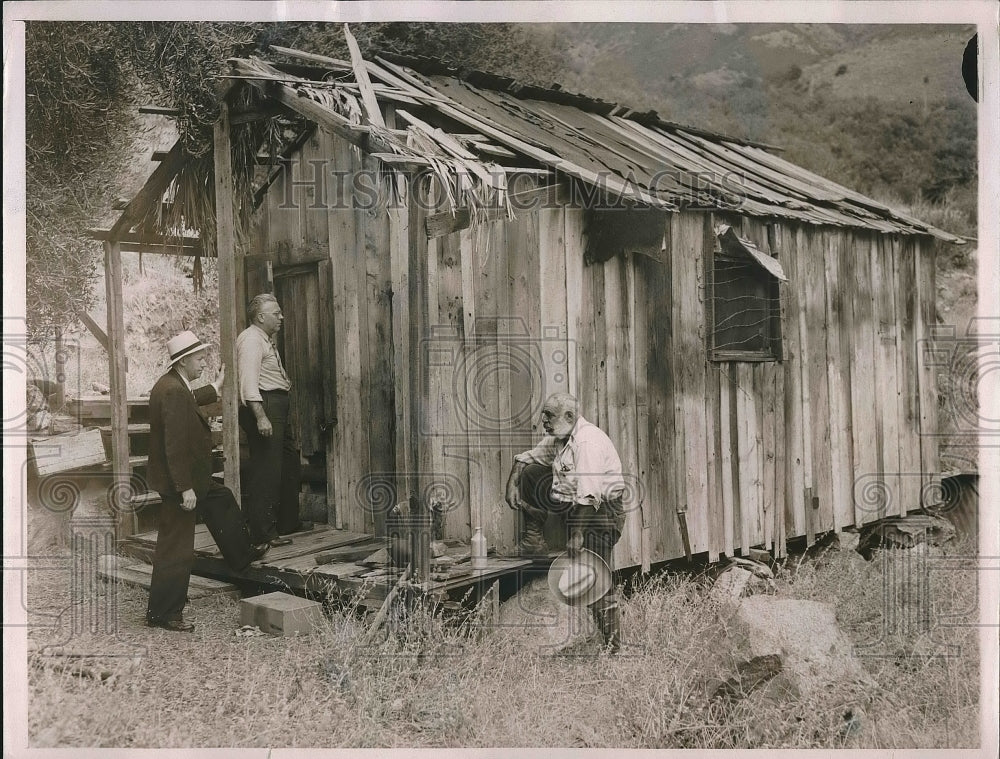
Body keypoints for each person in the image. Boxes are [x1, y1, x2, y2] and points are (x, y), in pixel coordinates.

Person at [145, 331, 269, 632]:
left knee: (221, 498)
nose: (204, 363)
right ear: (184, 360)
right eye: (200, 358)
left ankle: (241, 554)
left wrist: (215, 386)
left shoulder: (173, 385)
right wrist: (184, 487)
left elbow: (190, 399)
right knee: (176, 547)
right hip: (182, 483)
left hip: (193, 479)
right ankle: (164, 613)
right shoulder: (173, 392)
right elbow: (173, 445)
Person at [505, 392, 625, 653]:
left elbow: (590, 495)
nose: (543, 420)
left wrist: (577, 536)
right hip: (576, 506)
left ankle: (614, 647)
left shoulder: (587, 443)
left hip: (602, 512)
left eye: (548, 415)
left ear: (569, 416)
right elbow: (529, 458)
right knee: (534, 473)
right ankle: (533, 538)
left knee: (595, 576)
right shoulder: (560, 439)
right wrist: (513, 482)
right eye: (543, 414)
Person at [236, 294, 310, 547]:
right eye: (276, 313)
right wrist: (261, 417)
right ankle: (262, 532)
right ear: (260, 317)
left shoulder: (264, 339)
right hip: (264, 405)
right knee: (266, 468)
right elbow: (248, 383)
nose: (281, 317)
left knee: (288, 462)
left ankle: (288, 521)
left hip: (275, 403)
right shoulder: (251, 340)